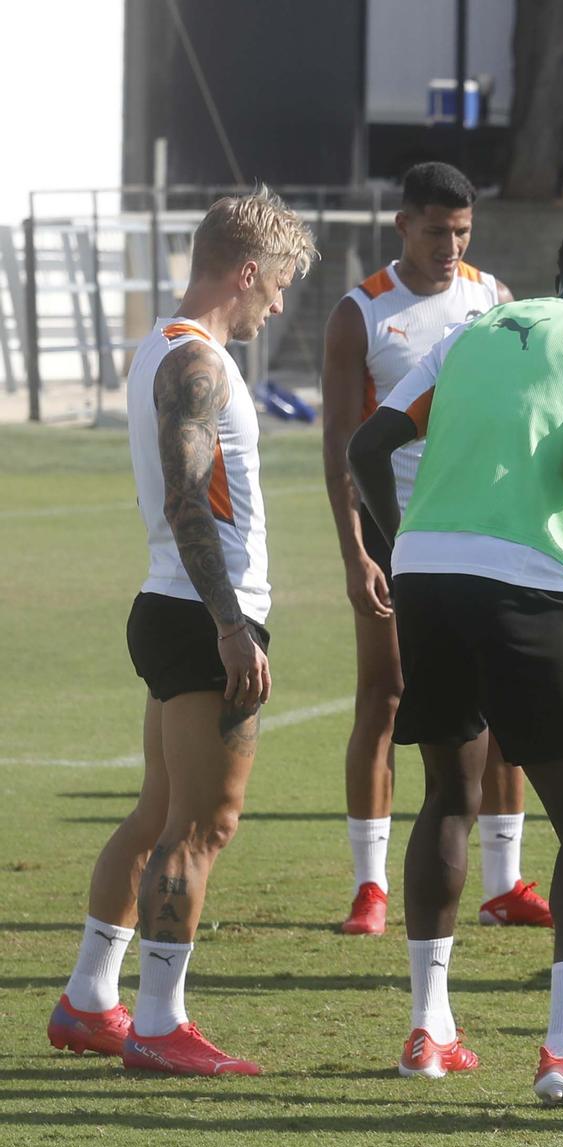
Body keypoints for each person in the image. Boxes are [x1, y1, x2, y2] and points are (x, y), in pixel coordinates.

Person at [347, 215, 563, 1102]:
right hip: (524, 584)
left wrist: (401, 546)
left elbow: (366, 446)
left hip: (427, 579)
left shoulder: (471, 331)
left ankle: (429, 1030)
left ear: (558, 271)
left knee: (447, 799)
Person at [48, 190, 317, 1076]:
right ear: (245, 272)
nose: (275, 306)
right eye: (275, 287)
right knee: (203, 825)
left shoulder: (164, 348)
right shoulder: (195, 365)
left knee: (158, 812)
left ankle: (91, 1000)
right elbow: (186, 501)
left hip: (175, 606)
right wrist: (233, 625)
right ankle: (160, 1022)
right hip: (204, 613)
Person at [321, 161, 550, 938]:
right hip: (395, 538)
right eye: (435, 230)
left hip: (481, 533)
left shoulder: (493, 301)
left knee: (501, 699)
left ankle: (505, 881)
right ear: (402, 226)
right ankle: (370, 885)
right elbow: (340, 445)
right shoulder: (362, 313)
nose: (450, 245)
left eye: (462, 230)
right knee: (384, 695)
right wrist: (358, 552)